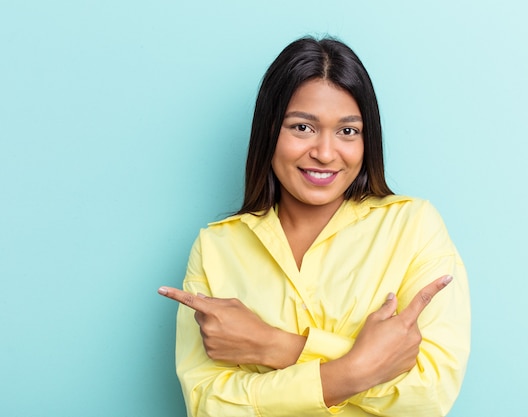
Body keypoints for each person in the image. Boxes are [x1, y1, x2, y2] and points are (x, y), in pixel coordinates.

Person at [158, 36, 470, 416]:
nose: (324, 153)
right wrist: (356, 369)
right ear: (269, 131)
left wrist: (273, 346)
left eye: (347, 131)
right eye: (303, 127)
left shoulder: (413, 226)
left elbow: (430, 392)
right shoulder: (216, 248)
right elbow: (207, 404)